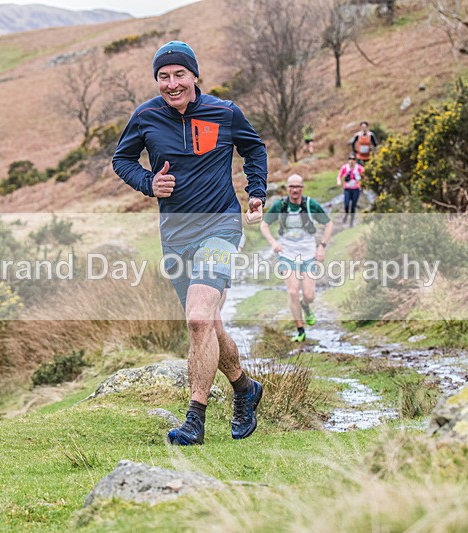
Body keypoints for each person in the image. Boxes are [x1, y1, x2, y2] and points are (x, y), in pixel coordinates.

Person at [112, 41, 267, 446]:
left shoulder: (225, 112)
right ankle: (245, 388)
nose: (172, 83)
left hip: (220, 227)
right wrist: (149, 183)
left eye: (179, 74)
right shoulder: (145, 116)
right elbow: (121, 160)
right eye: (163, 76)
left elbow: (254, 149)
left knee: (198, 319)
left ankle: (194, 419)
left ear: (194, 75)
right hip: (176, 236)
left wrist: (257, 191)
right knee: (209, 325)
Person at [260, 174, 333, 342]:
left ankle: (305, 305)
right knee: (292, 291)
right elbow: (264, 225)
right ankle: (300, 330)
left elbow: (329, 224)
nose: (294, 190)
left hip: (308, 254)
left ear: (302, 188)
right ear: (287, 189)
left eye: (297, 187)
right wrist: (273, 243)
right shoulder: (280, 205)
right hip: (287, 254)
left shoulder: (310, 204)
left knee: (309, 295)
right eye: (291, 187)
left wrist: (321, 246)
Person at [338, 154, 364, 227]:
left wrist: (363, 184)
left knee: (353, 206)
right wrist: (339, 182)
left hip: (356, 189)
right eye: (350, 159)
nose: (352, 161)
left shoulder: (358, 168)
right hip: (347, 189)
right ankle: (346, 214)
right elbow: (339, 176)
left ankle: (351, 222)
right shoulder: (344, 167)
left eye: (353, 159)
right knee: (346, 204)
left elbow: (364, 174)